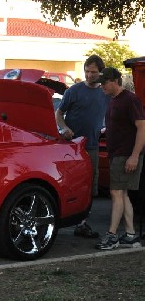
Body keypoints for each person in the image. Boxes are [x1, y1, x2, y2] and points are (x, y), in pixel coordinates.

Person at [55, 54, 108, 238]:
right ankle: (62, 219)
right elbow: (59, 113)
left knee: (91, 184)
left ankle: (82, 223)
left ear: (101, 73)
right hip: (71, 146)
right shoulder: (74, 91)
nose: (89, 75)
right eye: (87, 71)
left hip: (92, 146)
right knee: (69, 182)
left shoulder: (105, 93)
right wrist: (65, 128)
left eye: (93, 72)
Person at [95, 67, 145, 250]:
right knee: (122, 194)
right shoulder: (114, 100)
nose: (102, 87)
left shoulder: (130, 100)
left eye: (104, 83)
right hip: (117, 153)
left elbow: (142, 128)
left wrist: (134, 156)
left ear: (115, 81)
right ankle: (131, 235)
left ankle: (112, 235)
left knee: (116, 193)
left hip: (126, 154)